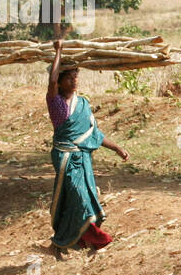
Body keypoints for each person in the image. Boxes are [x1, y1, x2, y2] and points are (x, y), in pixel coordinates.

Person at [46, 39, 129, 259]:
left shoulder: (82, 103)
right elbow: (51, 81)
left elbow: (94, 134)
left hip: (82, 158)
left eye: (76, 77)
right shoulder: (56, 103)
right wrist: (59, 51)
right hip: (65, 157)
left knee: (82, 199)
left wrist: (117, 149)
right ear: (61, 82)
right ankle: (100, 240)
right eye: (69, 78)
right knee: (79, 198)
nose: (74, 81)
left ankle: (63, 242)